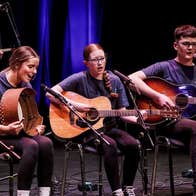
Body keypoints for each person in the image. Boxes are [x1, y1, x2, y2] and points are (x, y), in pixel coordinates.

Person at [46, 43, 147, 196]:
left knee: (134, 144)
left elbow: (121, 113)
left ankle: (127, 186)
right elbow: (50, 93)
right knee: (110, 144)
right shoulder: (79, 78)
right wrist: (78, 106)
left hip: (109, 128)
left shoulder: (115, 81)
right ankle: (116, 190)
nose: (100, 63)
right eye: (95, 60)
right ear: (86, 63)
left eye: (102, 59)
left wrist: (139, 119)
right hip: (86, 130)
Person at [128, 24, 196, 195]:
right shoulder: (164, 67)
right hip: (168, 122)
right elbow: (132, 78)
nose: (190, 48)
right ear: (176, 45)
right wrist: (157, 96)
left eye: (194, 44)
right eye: (186, 43)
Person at [0, 46, 54, 196]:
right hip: (2, 136)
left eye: (36, 67)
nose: (35, 72)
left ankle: (45, 193)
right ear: (16, 65)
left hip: (17, 135)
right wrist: (5, 129)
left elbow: (29, 117)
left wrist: (35, 127)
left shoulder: (26, 86)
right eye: (30, 67)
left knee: (46, 142)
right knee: (31, 146)